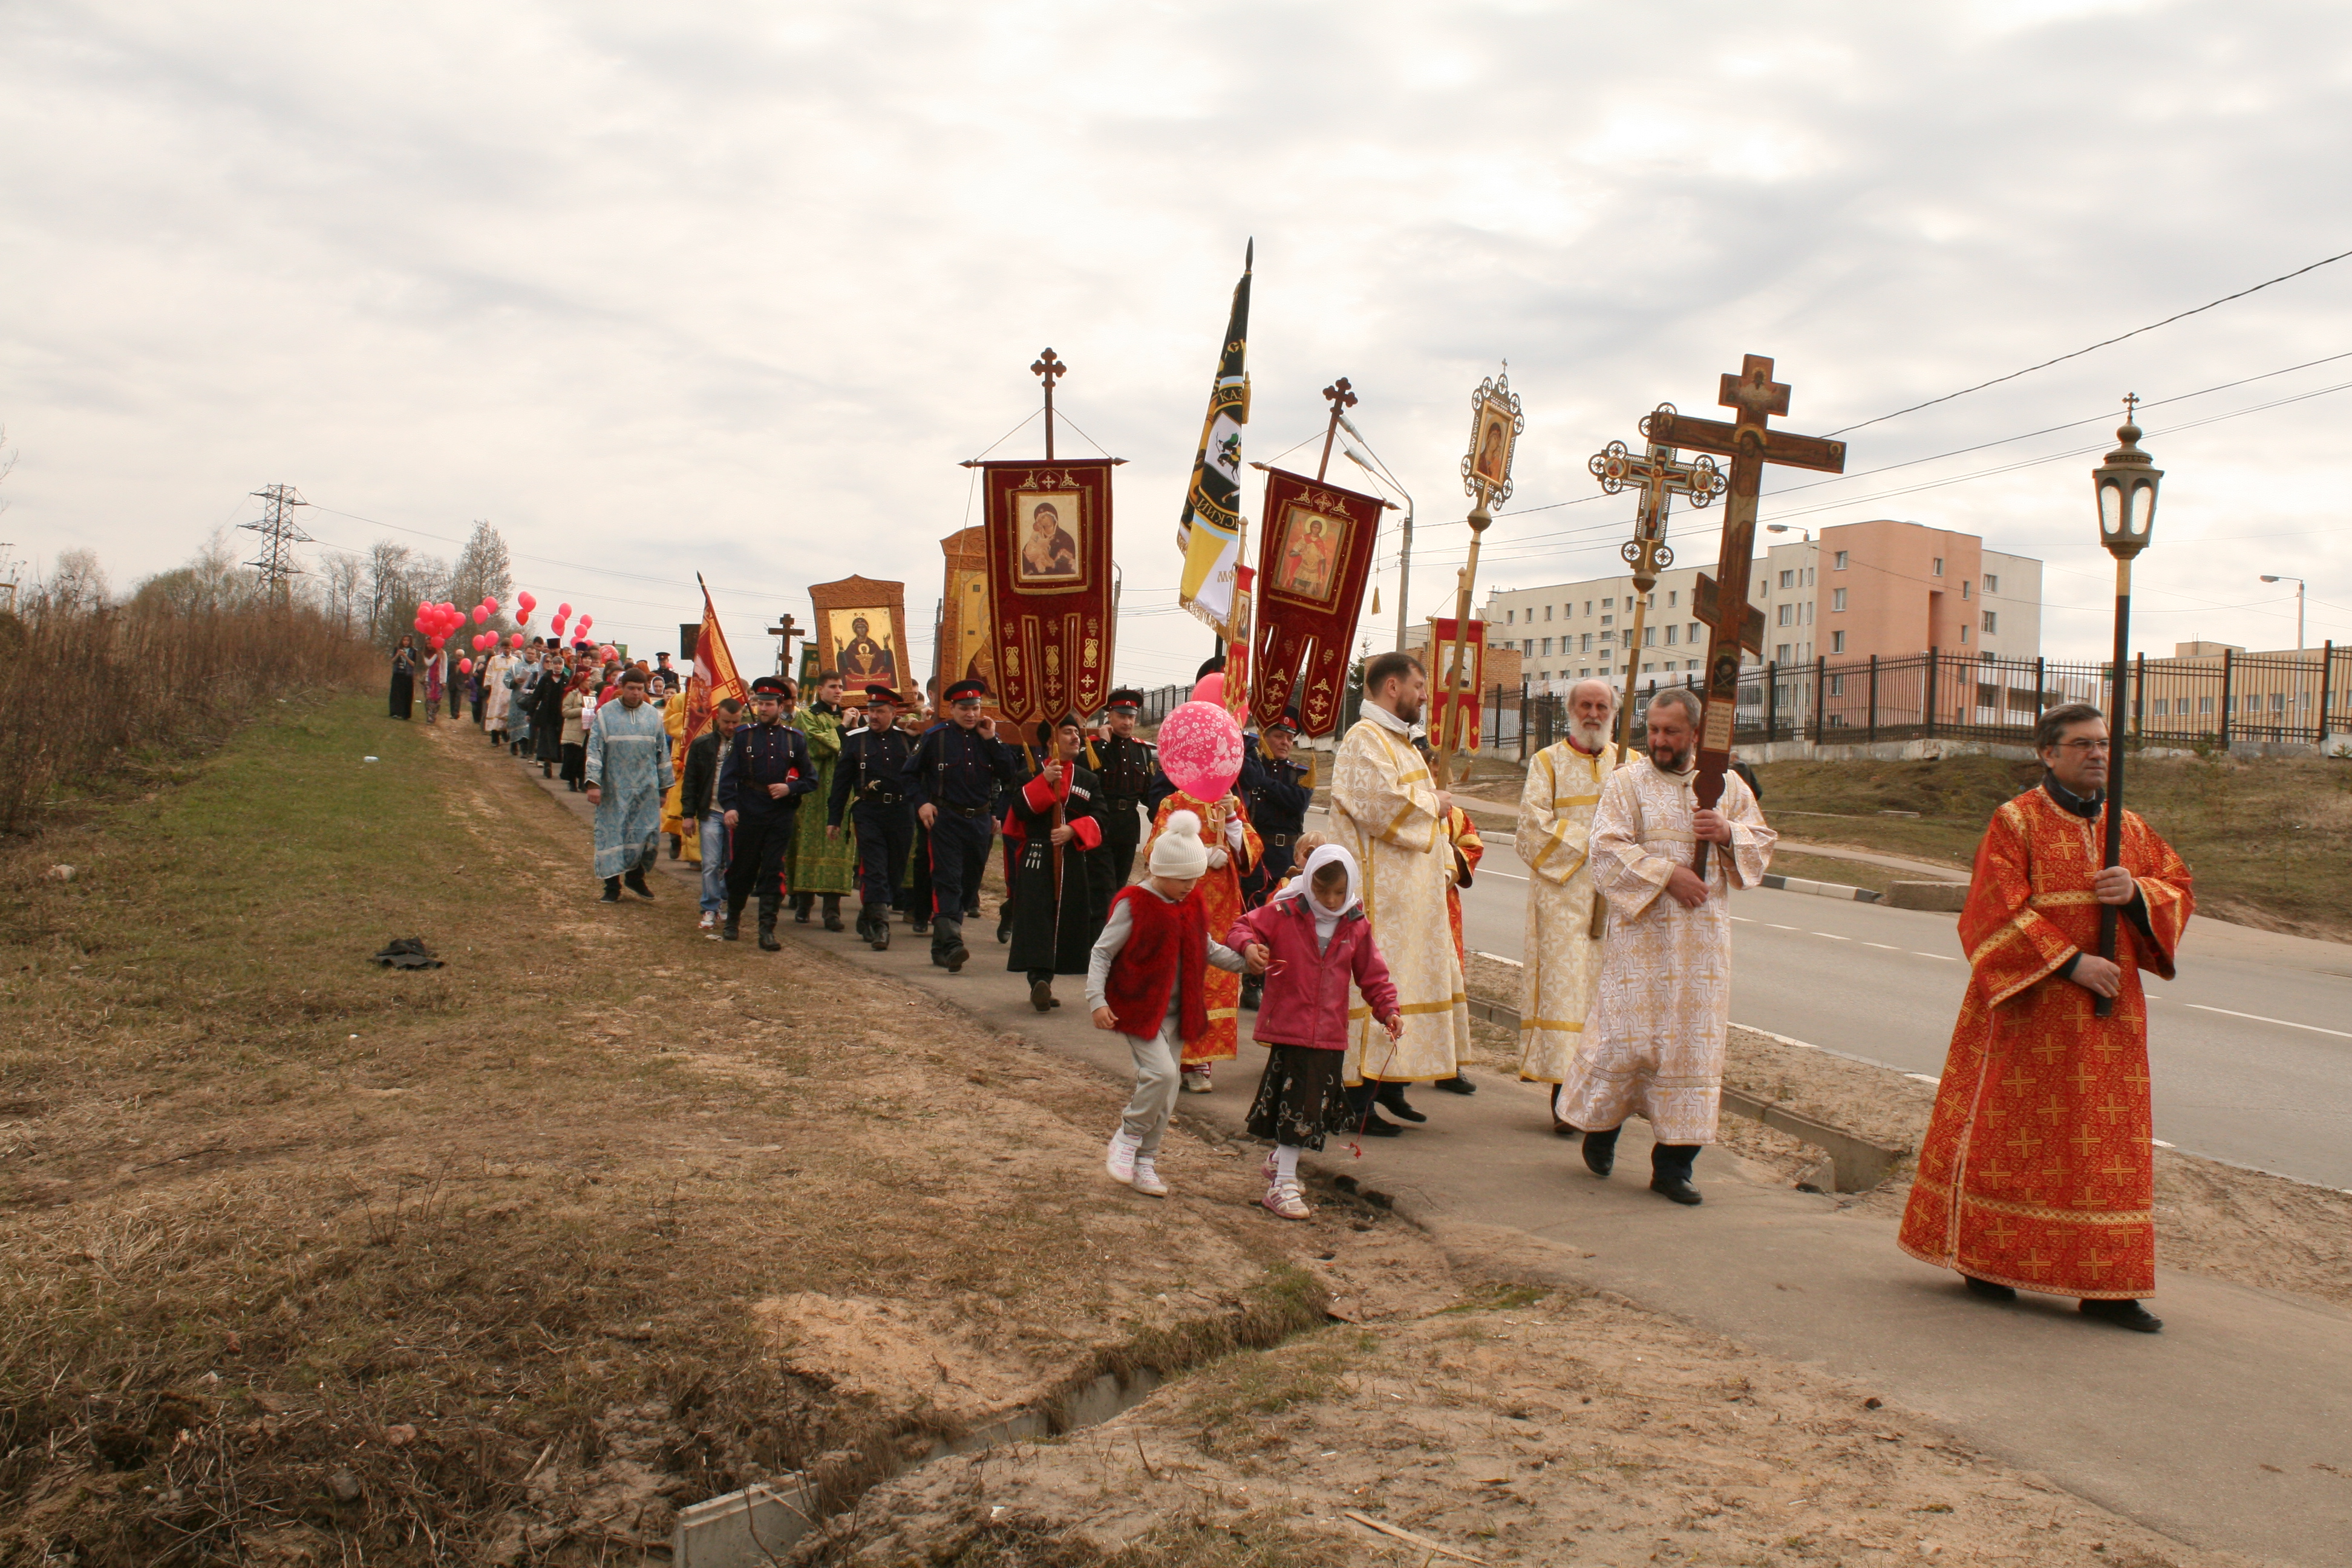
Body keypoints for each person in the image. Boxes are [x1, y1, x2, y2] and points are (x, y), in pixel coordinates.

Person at [1898, 704, 2192, 1333]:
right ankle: (1991, 1259)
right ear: (2048, 753)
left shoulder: (2131, 830)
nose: (2097, 755)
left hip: (2110, 1020)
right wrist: (2070, 963)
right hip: (2029, 1010)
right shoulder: (2016, 823)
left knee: (2104, 1148)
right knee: (2016, 1139)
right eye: (2083, 744)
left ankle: (2107, 1284)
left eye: (2104, 745)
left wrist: (2137, 895)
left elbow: (2179, 887)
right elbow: (1991, 911)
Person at [1557, 687, 1775, 1205]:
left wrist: (1726, 832)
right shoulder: (1626, 783)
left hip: (1701, 945)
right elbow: (1605, 852)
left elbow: (1760, 845)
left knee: (1689, 1050)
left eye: (1670, 732)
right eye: (1653, 730)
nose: (1658, 741)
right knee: (1627, 1041)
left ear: (1694, 734)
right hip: (1642, 940)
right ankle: (1603, 1128)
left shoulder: (1729, 787)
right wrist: (1667, 875)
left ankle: (1674, 1166)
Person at [1327, 652, 1474, 1128]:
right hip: (1379, 899)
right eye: (1420, 687)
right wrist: (1435, 802)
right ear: (1393, 687)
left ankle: (1390, 1084)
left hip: (1411, 900)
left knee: (1405, 987)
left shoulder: (1403, 743)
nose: (1425, 697)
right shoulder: (1362, 739)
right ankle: (1356, 1097)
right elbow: (1380, 806)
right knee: (1376, 987)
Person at [1088, 811, 1264, 1198]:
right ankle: (1126, 1137)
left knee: (1167, 1097)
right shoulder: (1134, 904)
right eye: (1184, 879)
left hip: (1176, 1014)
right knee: (1163, 1077)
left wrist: (1247, 961)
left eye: (1195, 879)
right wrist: (1097, 1000)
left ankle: (1146, 1162)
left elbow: (1207, 948)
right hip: (1137, 1009)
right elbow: (1102, 953)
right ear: (1160, 871)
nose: (1191, 886)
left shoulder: (1188, 904)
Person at [1226, 846, 1402, 1221]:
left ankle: (1279, 1164)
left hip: (1328, 1032)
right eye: (1323, 892)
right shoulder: (1285, 911)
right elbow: (1242, 926)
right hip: (1289, 1025)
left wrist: (1388, 1009)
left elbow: (1373, 973)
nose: (1332, 900)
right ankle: (1283, 1185)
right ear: (1309, 884)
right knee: (1301, 1108)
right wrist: (1249, 947)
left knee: (1310, 1106)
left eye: (1340, 892)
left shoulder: (1355, 923)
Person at [1515, 677, 1623, 1134]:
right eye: (1585, 705)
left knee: (1607, 1001)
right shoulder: (1548, 763)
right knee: (1569, 997)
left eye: (1602, 705)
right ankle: (1564, 1099)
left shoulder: (1630, 762)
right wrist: (1594, 842)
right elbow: (1530, 829)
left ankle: (1602, 1101)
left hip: (1616, 902)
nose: (1594, 713)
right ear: (1570, 710)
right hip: (1563, 900)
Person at [1144, 774, 1261, 1094]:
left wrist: (1234, 821)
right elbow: (1154, 849)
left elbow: (1250, 853)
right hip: (1182, 901)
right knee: (1182, 976)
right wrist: (1202, 853)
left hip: (1221, 909)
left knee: (1215, 981)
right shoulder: (1174, 803)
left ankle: (1200, 1064)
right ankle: (1172, 1060)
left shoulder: (1230, 801)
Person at [904, 678, 1022, 973]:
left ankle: (941, 947)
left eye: (975, 708)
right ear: (952, 708)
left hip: (979, 822)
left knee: (969, 886)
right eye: (964, 709)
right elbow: (908, 776)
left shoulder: (988, 739)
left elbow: (1009, 773)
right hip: (946, 819)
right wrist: (922, 803)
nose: (970, 714)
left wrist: (992, 739)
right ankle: (954, 943)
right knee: (948, 880)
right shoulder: (936, 737)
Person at [1006, 714, 1108, 1012]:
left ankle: (1051, 975)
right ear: (1051, 741)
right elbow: (1018, 812)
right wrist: (1044, 783)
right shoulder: (1029, 774)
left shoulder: (1088, 779)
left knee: (1066, 918)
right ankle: (1039, 978)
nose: (1076, 738)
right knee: (1037, 915)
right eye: (1067, 733)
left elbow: (1101, 818)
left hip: (1072, 859)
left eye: (1077, 732)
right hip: (1037, 857)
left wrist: (1074, 829)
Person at [717, 676, 817, 949]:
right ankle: (733, 920)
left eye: (769, 704)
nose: (763, 709)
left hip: (779, 814)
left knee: (774, 871)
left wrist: (790, 789)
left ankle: (767, 929)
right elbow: (729, 778)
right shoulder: (743, 736)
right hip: (749, 810)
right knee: (741, 869)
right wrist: (731, 807)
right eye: (760, 703)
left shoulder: (794, 740)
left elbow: (811, 779)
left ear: (781, 705)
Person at [830, 685, 917, 950]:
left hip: (901, 812)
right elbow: (841, 783)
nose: (875, 716)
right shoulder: (856, 739)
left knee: (895, 870)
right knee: (876, 866)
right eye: (872, 711)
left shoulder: (907, 739)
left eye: (881, 711)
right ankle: (881, 926)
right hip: (869, 811)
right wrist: (834, 818)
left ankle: (868, 913)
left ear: (893, 713)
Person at [584, 667, 676, 906]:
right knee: (613, 835)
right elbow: (594, 749)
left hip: (646, 788)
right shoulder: (606, 714)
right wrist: (594, 783)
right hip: (614, 787)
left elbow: (662, 753)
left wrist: (663, 790)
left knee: (646, 834)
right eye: (631, 689)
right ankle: (612, 887)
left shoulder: (653, 716)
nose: (636, 693)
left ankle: (636, 877)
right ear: (622, 688)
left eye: (640, 689)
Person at [786, 673, 858, 930]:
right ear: (820, 690)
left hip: (842, 791)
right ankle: (804, 905)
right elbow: (813, 747)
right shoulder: (807, 716)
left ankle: (832, 911)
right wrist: (842, 729)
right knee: (809, 843)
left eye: (841, 687)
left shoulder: (851, 718)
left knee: (838, 845)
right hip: (814, 792)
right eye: (833, 687)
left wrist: (850, 727)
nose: (838, 691)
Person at [678, 697, 742, 935]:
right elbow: (691, 781)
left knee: (733, 864)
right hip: (711, 811)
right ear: (718, 718)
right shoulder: (702, 745)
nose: (731, 727)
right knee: (711, 863)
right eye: (727, 722)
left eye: (736, 722)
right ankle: (709, 906)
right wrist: (688, 814)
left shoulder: (746, 746)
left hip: (737, 813)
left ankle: (723, 900)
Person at [1092, 689, 1157, 889]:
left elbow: (1148, 794)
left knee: (1120, 883)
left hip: (1128, 825)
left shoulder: (1141, 750)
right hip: (1101, 822)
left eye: (1131, 717)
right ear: (1109, 716)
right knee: (1101, 884)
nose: (1127, 723)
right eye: (1121, 717)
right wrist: (1103, 742)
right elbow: (1088, 775)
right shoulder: (1097, 746)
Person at [528, 644, 566, 779]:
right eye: (555, 664)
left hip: (560, 716)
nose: (557, 667)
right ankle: (547, 764)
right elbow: (536, 695)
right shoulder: (545, 679)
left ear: (563, 666)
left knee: (557, 740)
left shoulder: (566, 680)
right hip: (546, 715)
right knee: (546, 739)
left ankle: (554, 761)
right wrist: (530, 713)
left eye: (560, 664)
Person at [559, 670, 591, 791]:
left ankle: (582, 781)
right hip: (573, 731)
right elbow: (565, 712)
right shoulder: (572, 694)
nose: (590, 683)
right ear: (581, 682)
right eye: (587, 680)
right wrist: (582, 710)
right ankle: (572, 781)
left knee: (584, 759)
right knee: (572, 758)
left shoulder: (592, 694)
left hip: (586, 731)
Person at [483, 644, 513, 743]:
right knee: (495, 712)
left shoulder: (516, 660)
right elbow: (489, 672)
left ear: (511, 648)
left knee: (506, 713)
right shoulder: (494, 659)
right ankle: (495, 738)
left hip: (509, 691)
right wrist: (487, 684)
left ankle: (505, 733)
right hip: (497, 690)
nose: (507, 650)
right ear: (502, 648)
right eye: (505, 648)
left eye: (509, 648)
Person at [390, 636, 416, 719]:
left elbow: (413, 664)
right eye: (404, 640)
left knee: (406, 695)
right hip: (398, 674)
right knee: (396, 694)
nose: (406, 642)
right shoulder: (397, 649)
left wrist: (405, 656)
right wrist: (398, 654)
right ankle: (395, 712)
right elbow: (392, 661)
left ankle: (405, 714)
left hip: (407, 675)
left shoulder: (413, 651)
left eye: (408, 641)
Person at [422, 647, 446, 725]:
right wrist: (436, 655)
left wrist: (444, 681)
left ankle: (433, 715)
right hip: (429, 679)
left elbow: (444, 667)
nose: (429, 645)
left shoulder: (443, 653)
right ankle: (429, 716)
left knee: (437, 700)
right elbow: (428, 663)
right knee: (429, 699)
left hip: (439, 680)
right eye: (427, 644)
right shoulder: (427, 654)